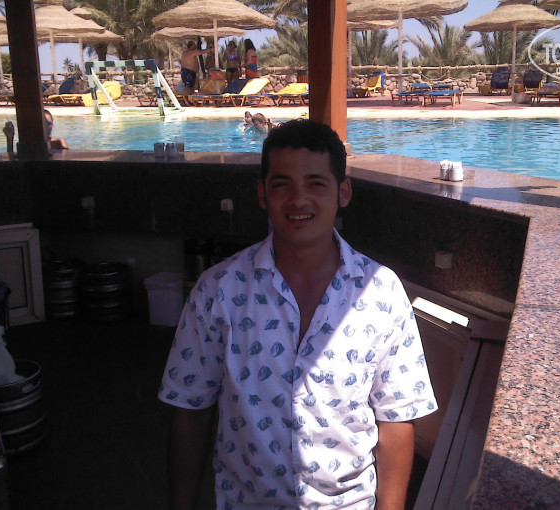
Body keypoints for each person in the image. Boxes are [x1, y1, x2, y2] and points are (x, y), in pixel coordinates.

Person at [159, 119, 438, 510]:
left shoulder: (382, 293)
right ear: (262, 194)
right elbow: (191, 410)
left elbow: (396, 418)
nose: (298, 199)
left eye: (316, 183)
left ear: (343, 192)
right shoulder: (217, 291)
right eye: (282, 185)